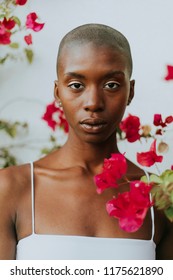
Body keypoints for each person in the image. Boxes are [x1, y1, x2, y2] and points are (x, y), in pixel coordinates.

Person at [0, 23, 172, 260]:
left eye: (111, 85)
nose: (93, 102)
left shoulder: (161, 198)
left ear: (130, 92)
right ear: (57, 92)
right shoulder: (11, 188)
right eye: (76, 85)